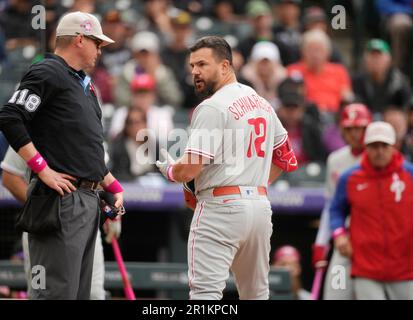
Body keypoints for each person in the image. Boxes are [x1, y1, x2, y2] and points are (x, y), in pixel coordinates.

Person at [156, 36, 298, 299]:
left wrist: (169, 170)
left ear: (225, 66)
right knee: (256, 295)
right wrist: (252, 183)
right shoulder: (260, 101)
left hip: (220, 208)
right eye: (192, 66)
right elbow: (285, 159)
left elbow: (188, 170)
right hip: (259, 208)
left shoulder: (212, 106)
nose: (195, 72)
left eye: (202, 64)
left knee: (205, 296)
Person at [0, 11, 124, 299]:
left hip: (87, 202)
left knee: (80, 295)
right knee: (55, 294)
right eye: (96, 43)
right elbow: (9, 117)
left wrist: (113, 187)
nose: (100, 50)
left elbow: (84, 149)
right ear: (79, 39)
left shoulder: (86, 85)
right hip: (59, 203)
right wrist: (42, 168)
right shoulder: (47, 71)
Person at [0, 146, 121, 299]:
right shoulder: (33, 125)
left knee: (94, 294)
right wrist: (44, 207)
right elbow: (9, 176)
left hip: (86, 222)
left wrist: (108, 208)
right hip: (43, 226)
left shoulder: (93, 128)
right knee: (43, 293)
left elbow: (96, 179)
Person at [330, 121, 413, 300]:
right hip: (366, 265)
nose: (380, 151)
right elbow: (336, 209)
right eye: (374, 146)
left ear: (395, 146)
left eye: (384, 146)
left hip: (405, 266)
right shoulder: (350, 177)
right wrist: (339, 234)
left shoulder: (410, 174)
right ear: (365, 147)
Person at [312, 103, 372, 300]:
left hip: (372, 240)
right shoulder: (335, 160)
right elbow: (331, 206)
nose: (355, 134)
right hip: (343, 239)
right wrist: (322, 241)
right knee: (335, 293)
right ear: (342, 131)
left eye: (360, 128)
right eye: (350, 129)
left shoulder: (379, 158)